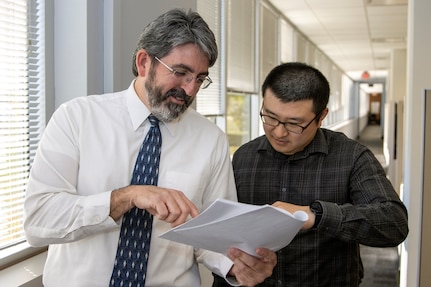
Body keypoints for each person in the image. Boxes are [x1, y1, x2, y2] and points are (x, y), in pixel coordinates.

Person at [24, 9, 276, 287]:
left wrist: (237, 264)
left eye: (200, 79)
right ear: (144, 62)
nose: (190, 90)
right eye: (180, 73)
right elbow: (39, 221)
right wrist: (126, 197)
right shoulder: (76, 118)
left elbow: (211, 236)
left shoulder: (211, 139)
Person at [213, 62, 409, 286]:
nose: (278, 132)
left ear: (321, 115)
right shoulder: (243, 157)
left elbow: (394, 224)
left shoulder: (352, 156)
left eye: (295, 124)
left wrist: (314, 216)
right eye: (270, 117)